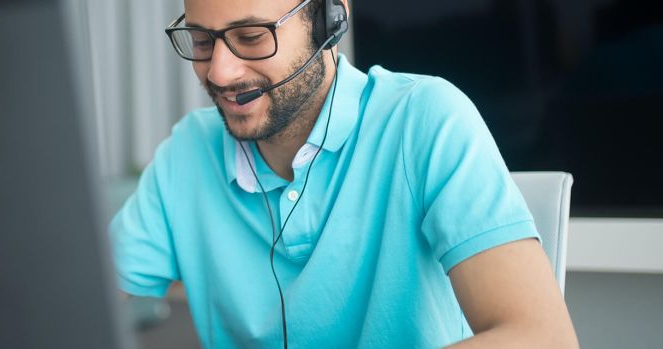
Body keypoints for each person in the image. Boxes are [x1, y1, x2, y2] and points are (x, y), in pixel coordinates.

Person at [109, 0, 579, 347]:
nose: (221, 72)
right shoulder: (186, 153)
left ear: (328, 19)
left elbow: (542, 337)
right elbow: (76, 302)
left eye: (252, 37)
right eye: (203, 41)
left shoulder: (425, 119)